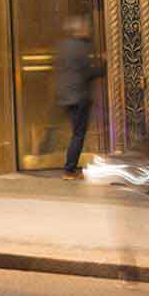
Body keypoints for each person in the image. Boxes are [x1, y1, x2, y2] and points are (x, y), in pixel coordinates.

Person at [55, 15, 105, 178]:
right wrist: (105, 64)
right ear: (80, 30)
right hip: (78, 97)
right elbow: (88, 73)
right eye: (86, 27)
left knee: (74, 131)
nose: (88, 30)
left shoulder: (62, 46)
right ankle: (69, 170)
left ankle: (69, 167)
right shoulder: (82, 48)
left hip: (64, 96)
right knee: (78, 133)